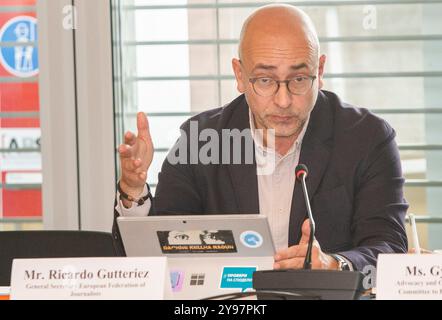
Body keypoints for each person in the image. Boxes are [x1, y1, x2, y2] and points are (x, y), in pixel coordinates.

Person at [113, 4, 408, 271]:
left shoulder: (367, 139)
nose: (283, 100)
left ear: (319, 71)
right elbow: (161, 250)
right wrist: (133, 190)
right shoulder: (200, 141)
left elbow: (389, 248)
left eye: (299, 79)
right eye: (265, 80)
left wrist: (334, 265)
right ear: (240, 75)